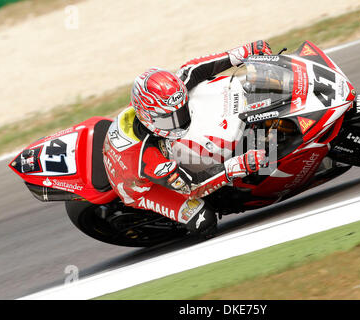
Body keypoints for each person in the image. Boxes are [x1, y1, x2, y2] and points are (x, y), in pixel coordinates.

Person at [103, 41, 272, 237]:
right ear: (149, 119)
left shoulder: (164, 102)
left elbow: (193, 70)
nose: (180, 121)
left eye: (182, 111)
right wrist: (235, 166)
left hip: (154, 150)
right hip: (139, 187)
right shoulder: (150, 159)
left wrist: (241, 53)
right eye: (171, 118)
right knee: (203, 221)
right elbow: (192, 187)